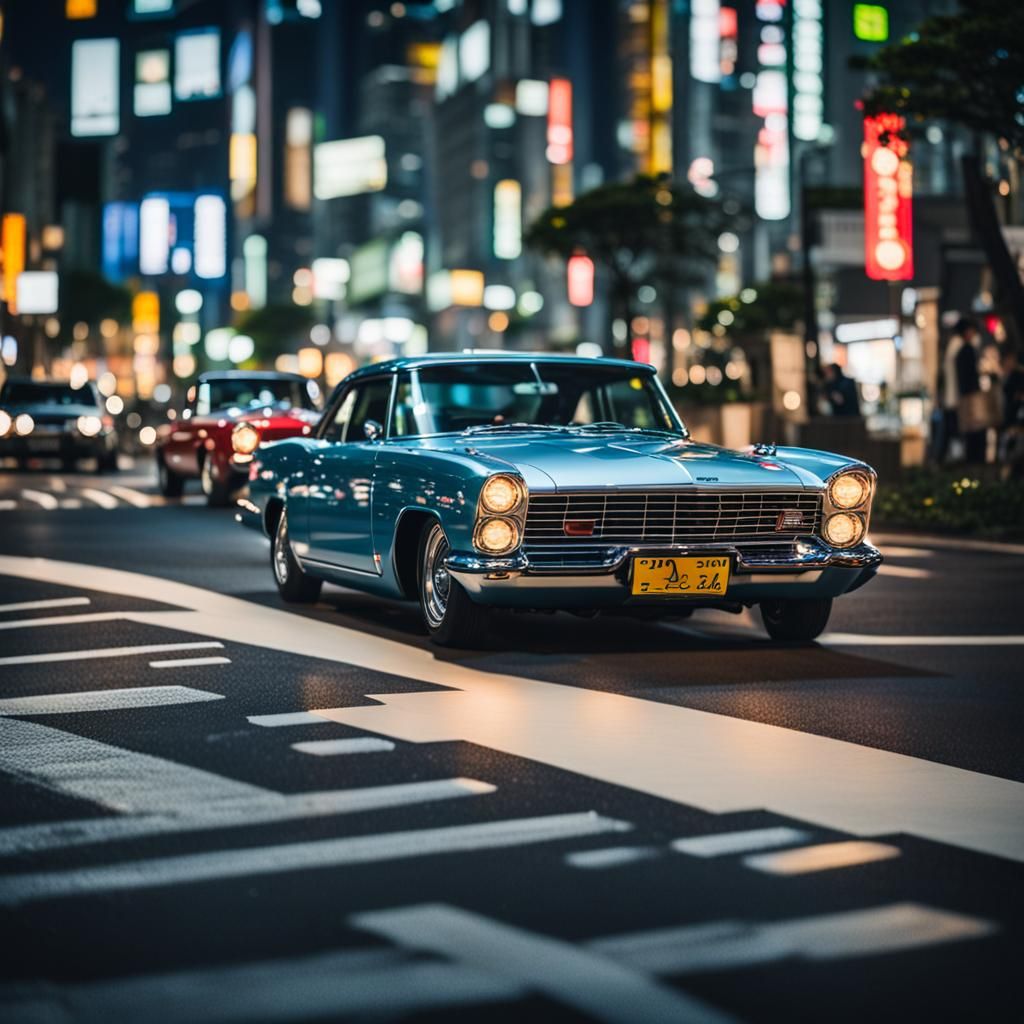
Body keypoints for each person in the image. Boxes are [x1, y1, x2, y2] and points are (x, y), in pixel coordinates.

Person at [954, 318, 987, 462]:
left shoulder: (961, 351)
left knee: (970, 432)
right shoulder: (968, 350)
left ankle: (972, 460)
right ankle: (977, 460)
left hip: (965, 395)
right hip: (972, 396)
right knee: (977, 430)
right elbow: (972, 375)